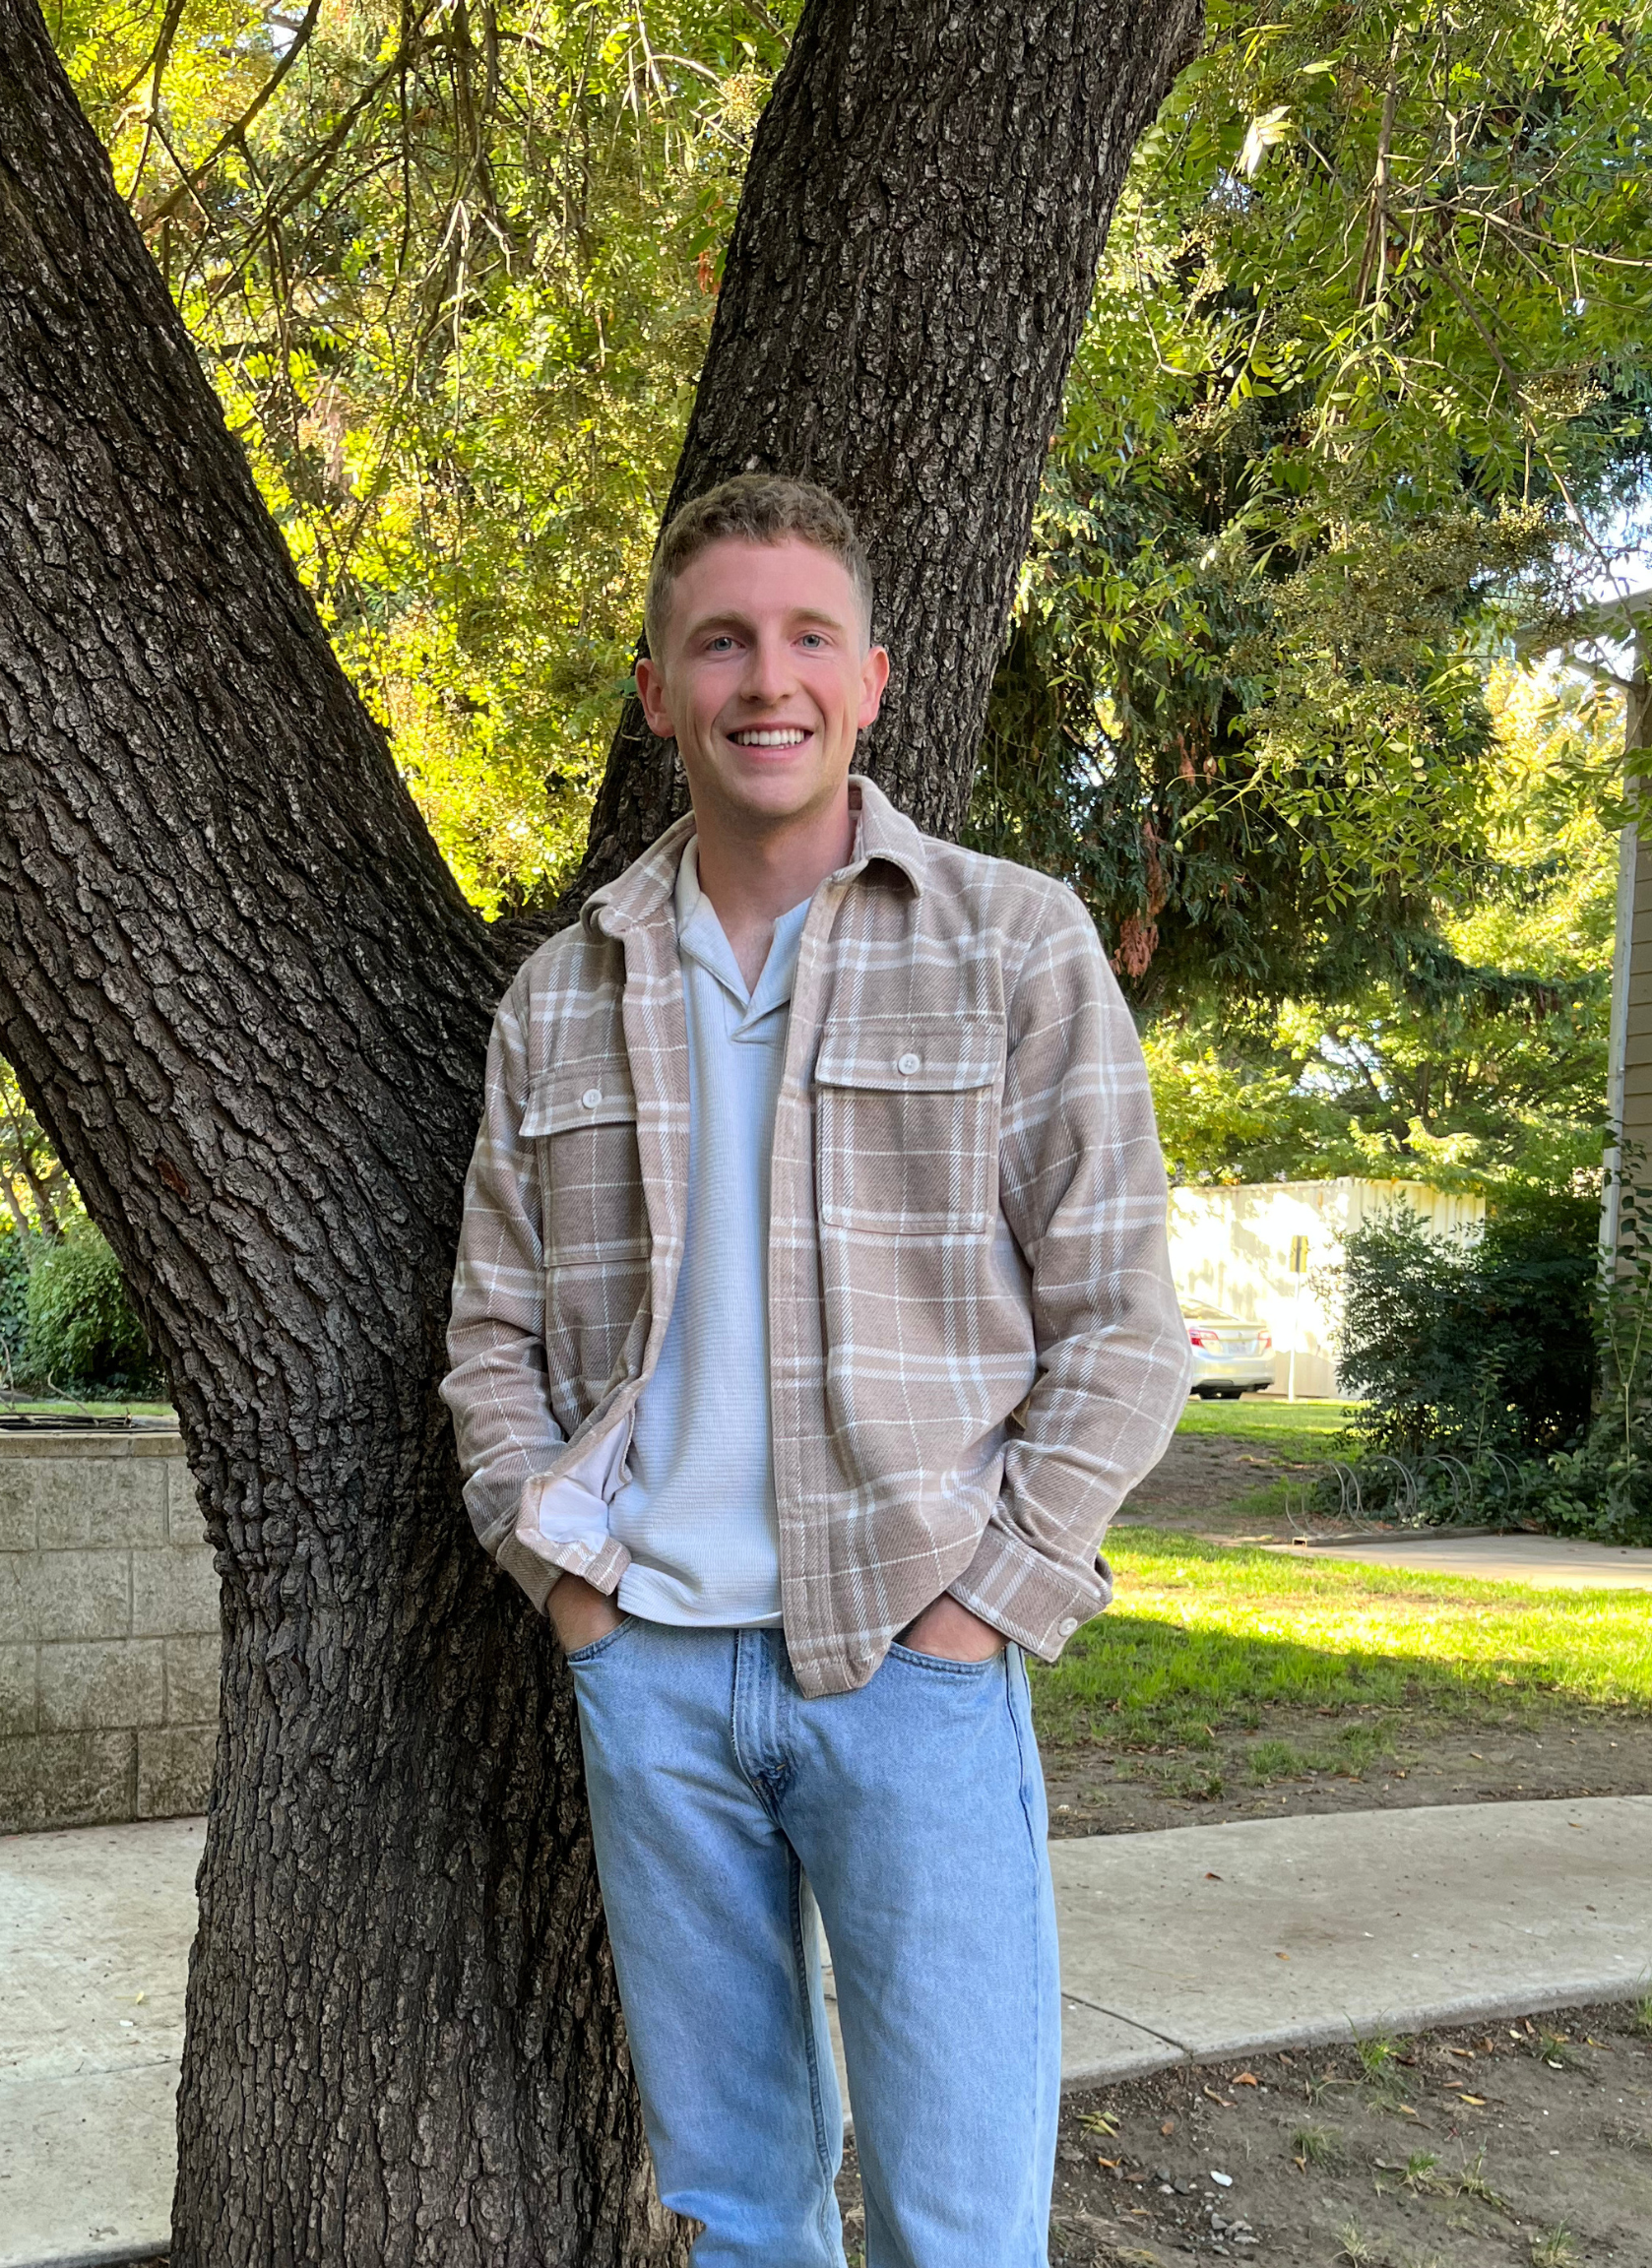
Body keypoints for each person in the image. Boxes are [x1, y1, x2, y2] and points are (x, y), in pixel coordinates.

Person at [442, 473, 1190, 2267]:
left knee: (959, 2217)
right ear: (657, 693)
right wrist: (571, 1596)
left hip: (916, 1673)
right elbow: (491, 1333)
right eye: (720, 642)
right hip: (656, 1683)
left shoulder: (1016, 942)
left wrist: (986, 1610)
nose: (762, 681)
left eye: (803, 640)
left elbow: (1126, 1329)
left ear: (870, 680)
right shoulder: (563, 990)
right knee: (736, 2207)